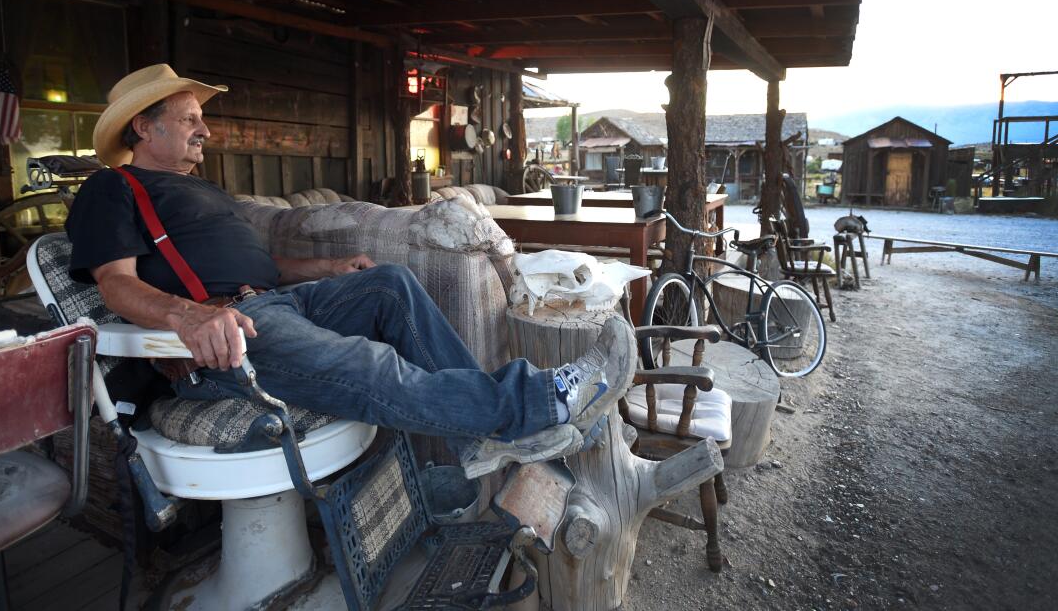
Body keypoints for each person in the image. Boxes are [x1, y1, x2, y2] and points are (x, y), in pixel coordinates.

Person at [67, 64, 635, 477]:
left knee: (391, 284)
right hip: (224, 338)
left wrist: (330, 266)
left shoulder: (199, 191)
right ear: (143, 127)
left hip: (271, 303)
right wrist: (188, 317)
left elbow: (258, 267)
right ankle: (535, 403)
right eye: (190, 118)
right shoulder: (113, 188)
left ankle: (476, 442)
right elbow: (117, 284)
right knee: (368, 361)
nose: (206, 130)